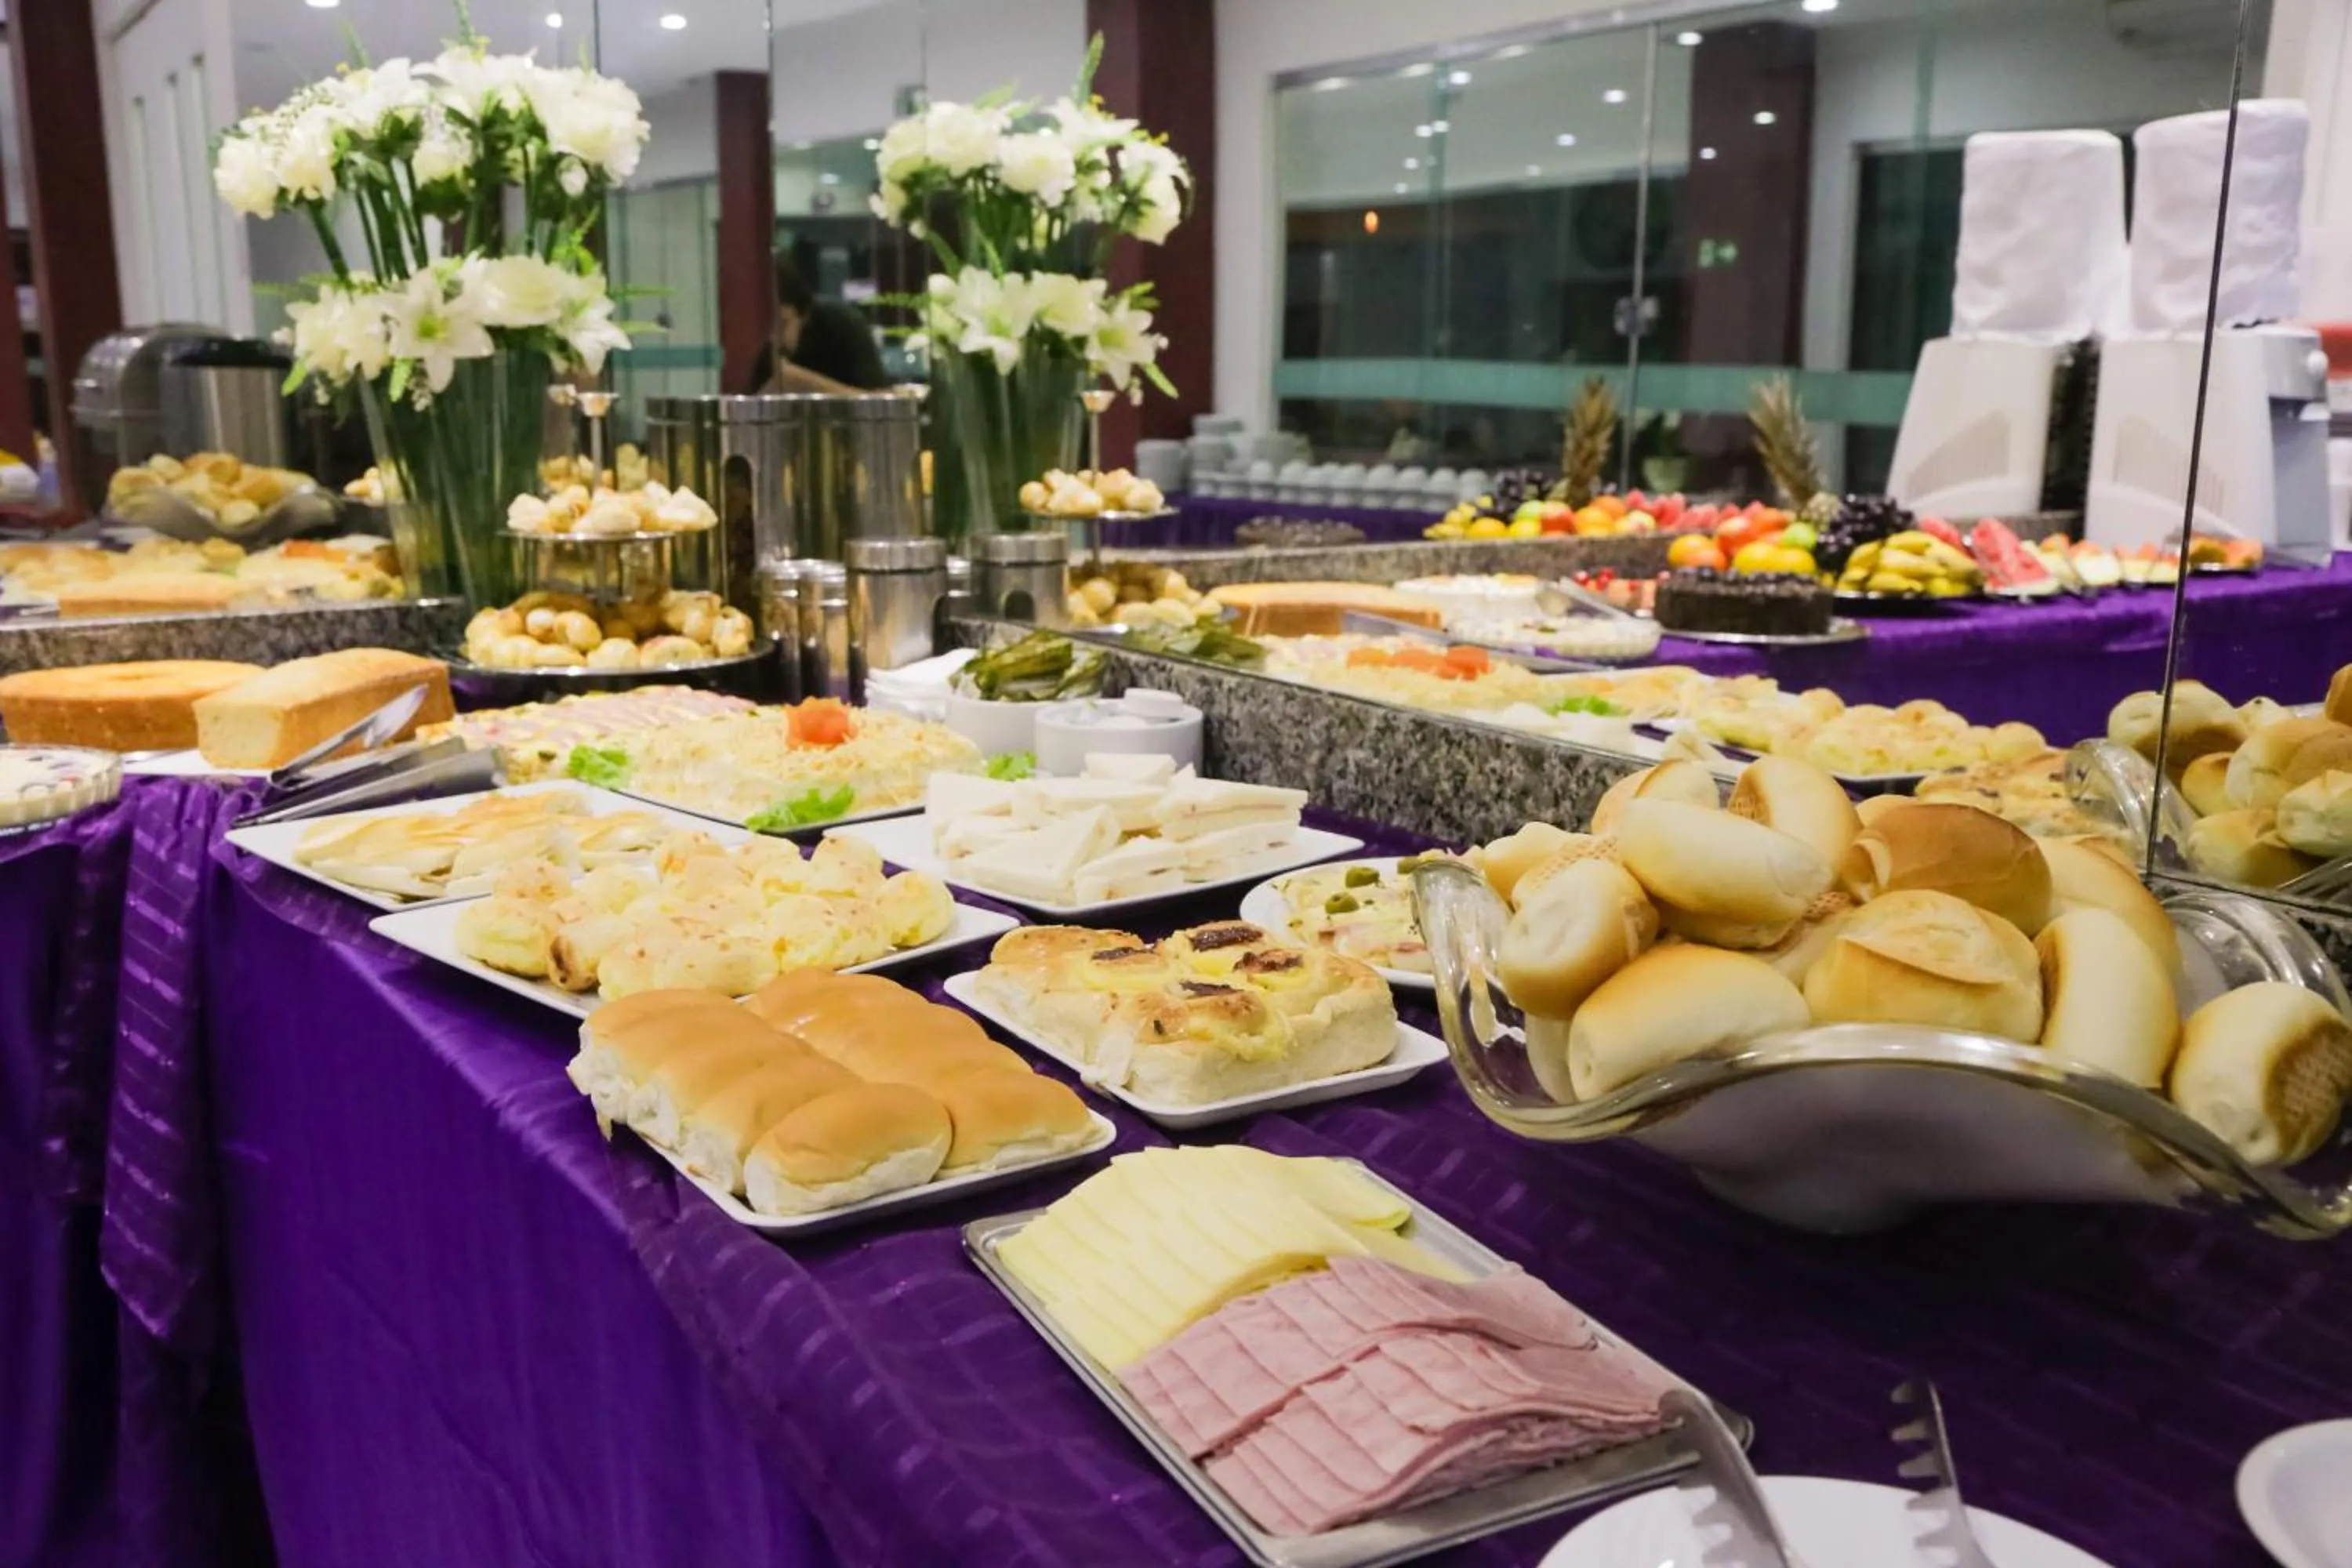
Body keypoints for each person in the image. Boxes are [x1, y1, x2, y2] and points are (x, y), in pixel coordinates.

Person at [755, 253, 889, 394]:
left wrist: (799, 380)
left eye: (782, 325)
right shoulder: (761, 353)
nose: (774, 338)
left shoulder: (842, 325)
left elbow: (880, 401)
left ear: (804, 314)